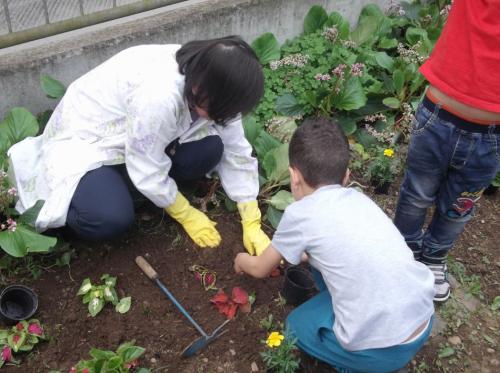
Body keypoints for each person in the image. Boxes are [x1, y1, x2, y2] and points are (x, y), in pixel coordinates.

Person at [7, 36, 270, 255]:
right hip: (90, 140)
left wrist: (251, 215)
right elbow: (145, 164)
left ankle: (126, 185)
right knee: (111, 216)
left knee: (210, 150)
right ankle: (82, 209)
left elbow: (236, 147)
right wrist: (185, 213)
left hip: (140, 135)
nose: (220, 118)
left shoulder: (217, 83)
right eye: (215, 110)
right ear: (200, 88)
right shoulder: (159, 95)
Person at [233, 118, 435, 373]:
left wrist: (241, 259)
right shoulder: (360, 200)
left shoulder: (300, 214)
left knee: (295, 326)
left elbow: (260, 269)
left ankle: (358, 366)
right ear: (347, 176)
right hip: (422, 318)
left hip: (382, 352)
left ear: (294, 176)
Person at [394, 0, 500, 302]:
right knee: (416, 193)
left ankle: (433, 258)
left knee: (459, 208)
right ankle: (403, 249)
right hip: (438, 118)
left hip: (491, 137)